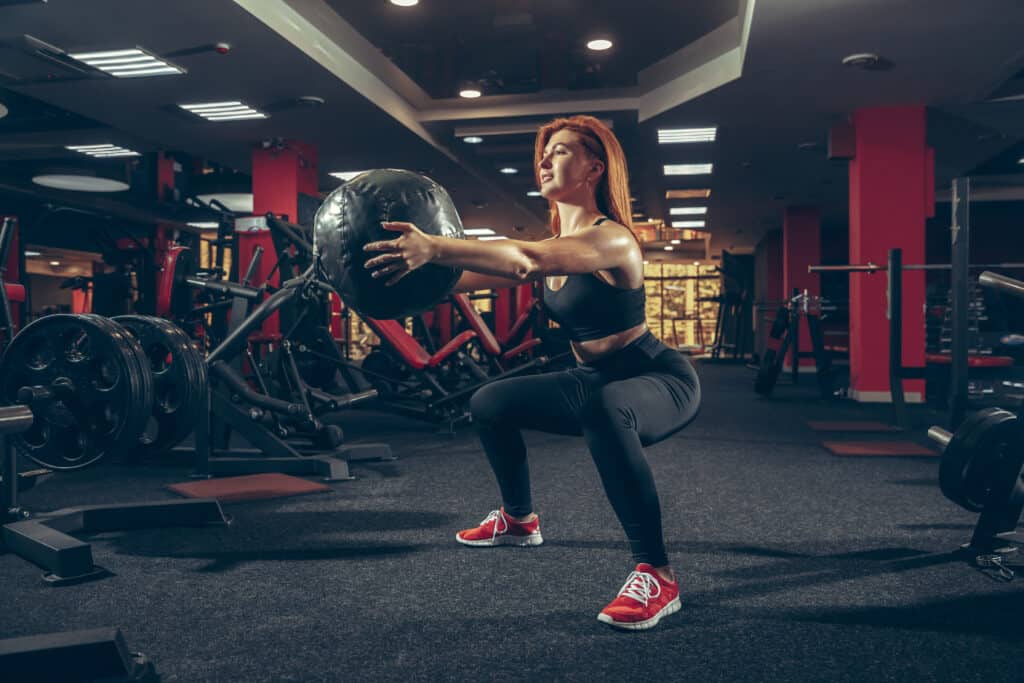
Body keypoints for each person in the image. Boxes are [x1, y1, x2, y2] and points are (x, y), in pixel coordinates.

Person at [363, 115, 701, 631]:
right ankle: (519, 520)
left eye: (561, 151)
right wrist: (364, 277)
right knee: (489, 403)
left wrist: (434, 244)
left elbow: (524, 261)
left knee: (606, 409)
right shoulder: (554, 241)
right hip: (594, 379)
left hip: (658, 378)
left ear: (594, 167)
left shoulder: (613, 241)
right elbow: (446, 283)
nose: (544, 159)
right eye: (543, 151)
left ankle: (657, 573)